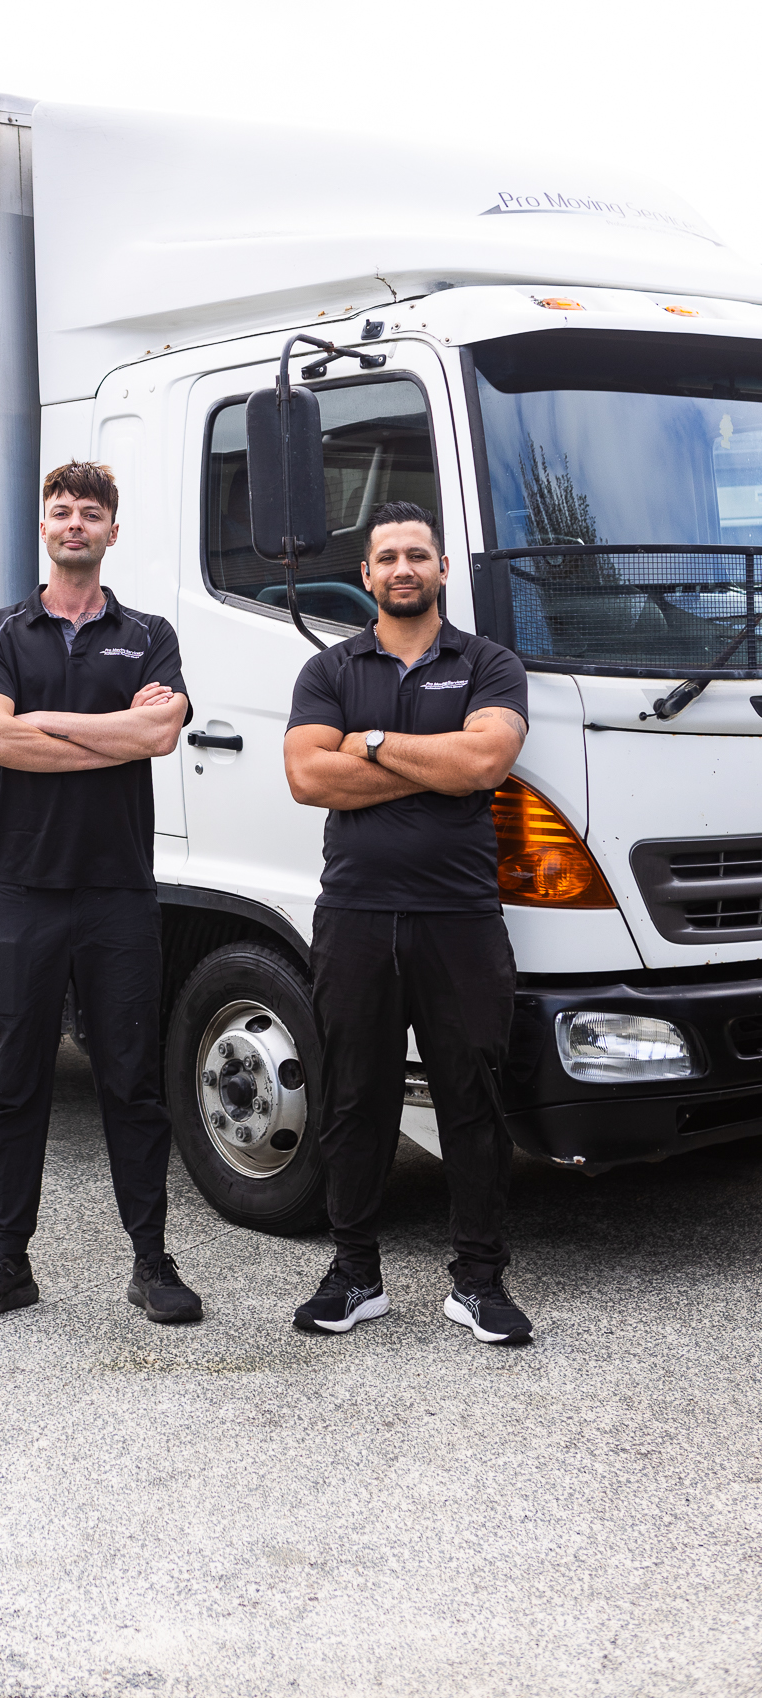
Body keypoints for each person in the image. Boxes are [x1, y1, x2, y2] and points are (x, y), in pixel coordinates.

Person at [0, 460, 202, 1327]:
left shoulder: (149, 632)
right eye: (61, 512)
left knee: (131, 1082)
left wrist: (43, 724)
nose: (75, 524)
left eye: (91, 513)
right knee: (14, 1084)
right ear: (43, 530)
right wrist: (113, 735)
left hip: (116, 892)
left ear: (113, 532)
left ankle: (151, 1263)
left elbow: (160, 732)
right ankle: (7, 1263)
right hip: (20, 889)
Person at [282, 501, 533, 1345]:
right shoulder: (328, 669)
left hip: (458, 917)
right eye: (385, 556)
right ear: (365, 575)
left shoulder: (489, 662)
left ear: (440, 569)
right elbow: (307, 779)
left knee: (471, 1095)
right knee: (356, 1096)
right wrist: (438, 765)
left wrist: (371, 742)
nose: (401, 569)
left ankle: (479, 1281)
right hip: (354, 915)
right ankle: (354, 1273)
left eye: (416, 555)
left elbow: (487, 760)